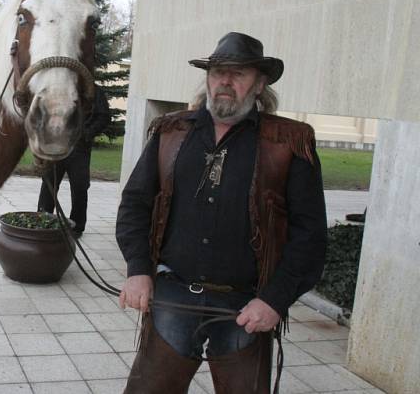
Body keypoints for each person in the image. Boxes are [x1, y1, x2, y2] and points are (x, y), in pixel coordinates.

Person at [116, 32, 327, 394]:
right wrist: (137, 270)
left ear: (259, 84)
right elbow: (135, 205)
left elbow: (310, 236)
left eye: (238, 74)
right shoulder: (171, 133)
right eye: (217, 73)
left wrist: (274, 300)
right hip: (173, 296)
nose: (225, 82)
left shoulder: (287, 144)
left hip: (246, 306)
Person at [38, 84, 110, 237]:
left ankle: (77, 226)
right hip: (55, 145)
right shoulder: (56, 90)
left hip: (79, 149)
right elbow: (42, 113)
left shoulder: (94, 91)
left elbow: (104, 116)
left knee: (79, 186)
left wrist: (86, 133)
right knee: (49, 183)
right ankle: (43, 220)